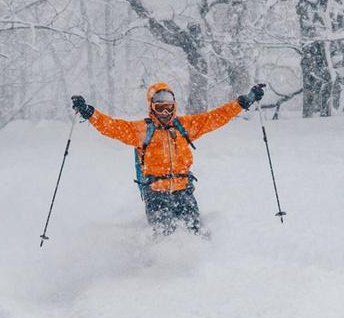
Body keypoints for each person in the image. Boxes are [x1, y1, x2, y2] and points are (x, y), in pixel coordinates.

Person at [71, 82, 265, 236]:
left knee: (194, 231)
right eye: (160, 108)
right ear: (152, 107)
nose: (165, 113)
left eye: (169, 108)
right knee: (164, 235)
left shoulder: (184, 126)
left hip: (184, 192)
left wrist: (243, 102)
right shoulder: (141, 130)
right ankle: (159, 272)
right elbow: (112, 126)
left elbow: (216, 117)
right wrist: (90, 113)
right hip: (156, 194)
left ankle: (203, 274)